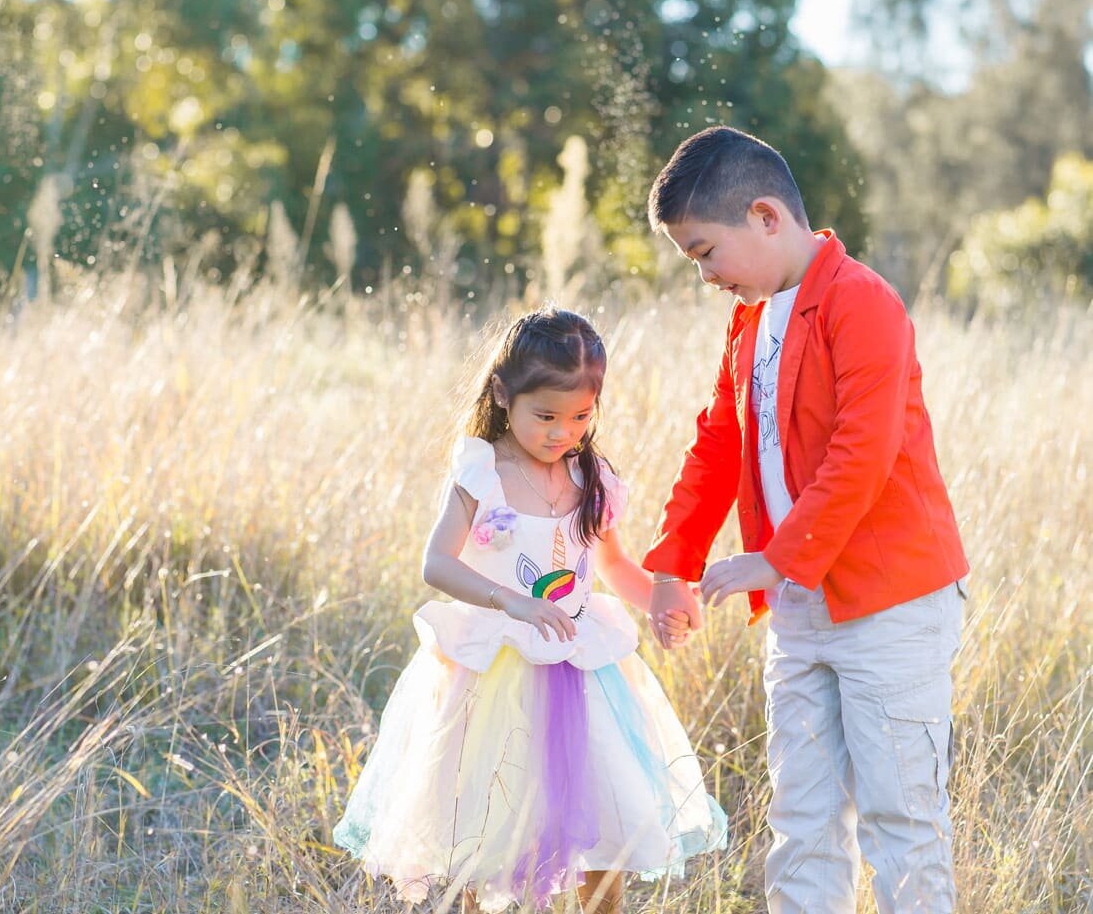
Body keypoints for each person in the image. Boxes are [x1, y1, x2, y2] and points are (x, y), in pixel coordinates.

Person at [641, 125, 970, 914]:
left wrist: (773, 559)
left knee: (900, 817)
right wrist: (671, 565)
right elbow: (719, 443)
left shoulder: (861, 301)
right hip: (798, 612)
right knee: (801, 816)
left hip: (888, 604)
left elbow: (862, 453)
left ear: (763, 216)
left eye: (703, 252)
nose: (704, 276)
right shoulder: (749, 322)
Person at [334, 307, 727, 913]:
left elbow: (615, 567)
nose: (561, 432)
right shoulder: (481, 471)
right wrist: (514, 604)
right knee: (484, 822)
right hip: (496, 673)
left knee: (604, 814)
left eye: (580, 416)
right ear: (502, 394)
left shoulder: (591, 476)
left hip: (581, 670)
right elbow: (436, 563)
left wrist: (662, 601)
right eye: (545, 416)